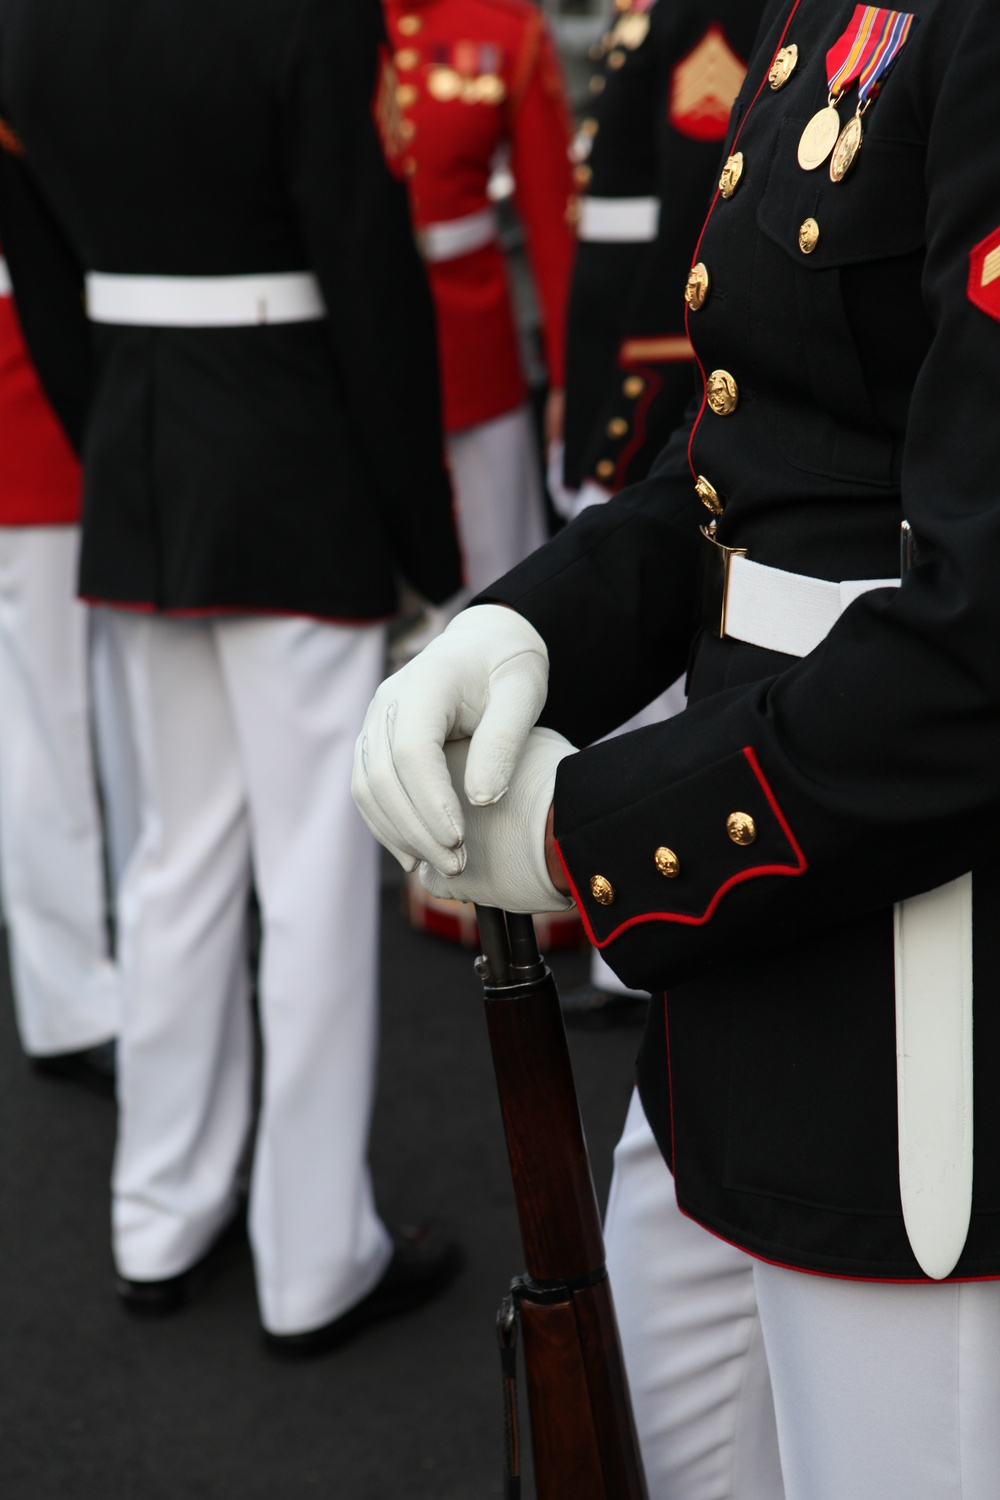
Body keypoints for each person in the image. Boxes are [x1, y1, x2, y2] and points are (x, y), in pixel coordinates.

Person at [354, 0, 1000, 1491]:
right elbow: (752, 452)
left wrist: (599, 834)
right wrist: (528, 627)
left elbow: (978, 650)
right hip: (739, 991)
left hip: (916, 1034)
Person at [0, 0, 462, 1351]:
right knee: (312, 872)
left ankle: (162, 1208)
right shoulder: (306, 16)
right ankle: (314, 1254)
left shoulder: (33, 27)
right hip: (291, 453)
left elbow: (44, 272)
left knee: (179, 858)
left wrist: (123, 443)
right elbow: (369, 273)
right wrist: (425, 538)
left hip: (143, 454)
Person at [553, 0, 765, 1008]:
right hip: (610, 361)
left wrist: (632, 401)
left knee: (662, 692)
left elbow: (694, 223)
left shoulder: (709, 16)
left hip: (664, 379)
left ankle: (629, 935)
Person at [383, 0, 576, 619]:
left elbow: (553, 224)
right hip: (347, 352)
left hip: (473, 347)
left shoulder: (504, 29)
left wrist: (568, 378)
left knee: (504, 576)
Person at [0, 249, 124, 1094]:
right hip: (35, 411)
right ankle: (75, 995)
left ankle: (93, 981)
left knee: (63, 725)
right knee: (54, 731)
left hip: (57, 403)